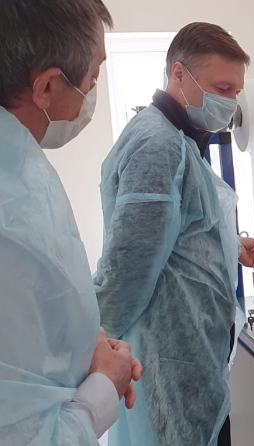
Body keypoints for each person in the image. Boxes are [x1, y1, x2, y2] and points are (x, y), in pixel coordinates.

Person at [93, 22, 254, 446]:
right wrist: (98, 342)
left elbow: (180, 228)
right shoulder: (159, 146)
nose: (230, 103)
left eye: (235, 92)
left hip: (188, 350)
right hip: (169, 358)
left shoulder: (178, 137)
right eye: (222, 89)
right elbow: (129, 265)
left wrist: (230, 244)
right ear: (178, 74)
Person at [0, 1, 142, 445]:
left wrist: (87, 345)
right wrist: (102, 390)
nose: (93, 89)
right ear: (46, 86)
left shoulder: (21, 167)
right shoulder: (11, 221)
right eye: (93, 76)